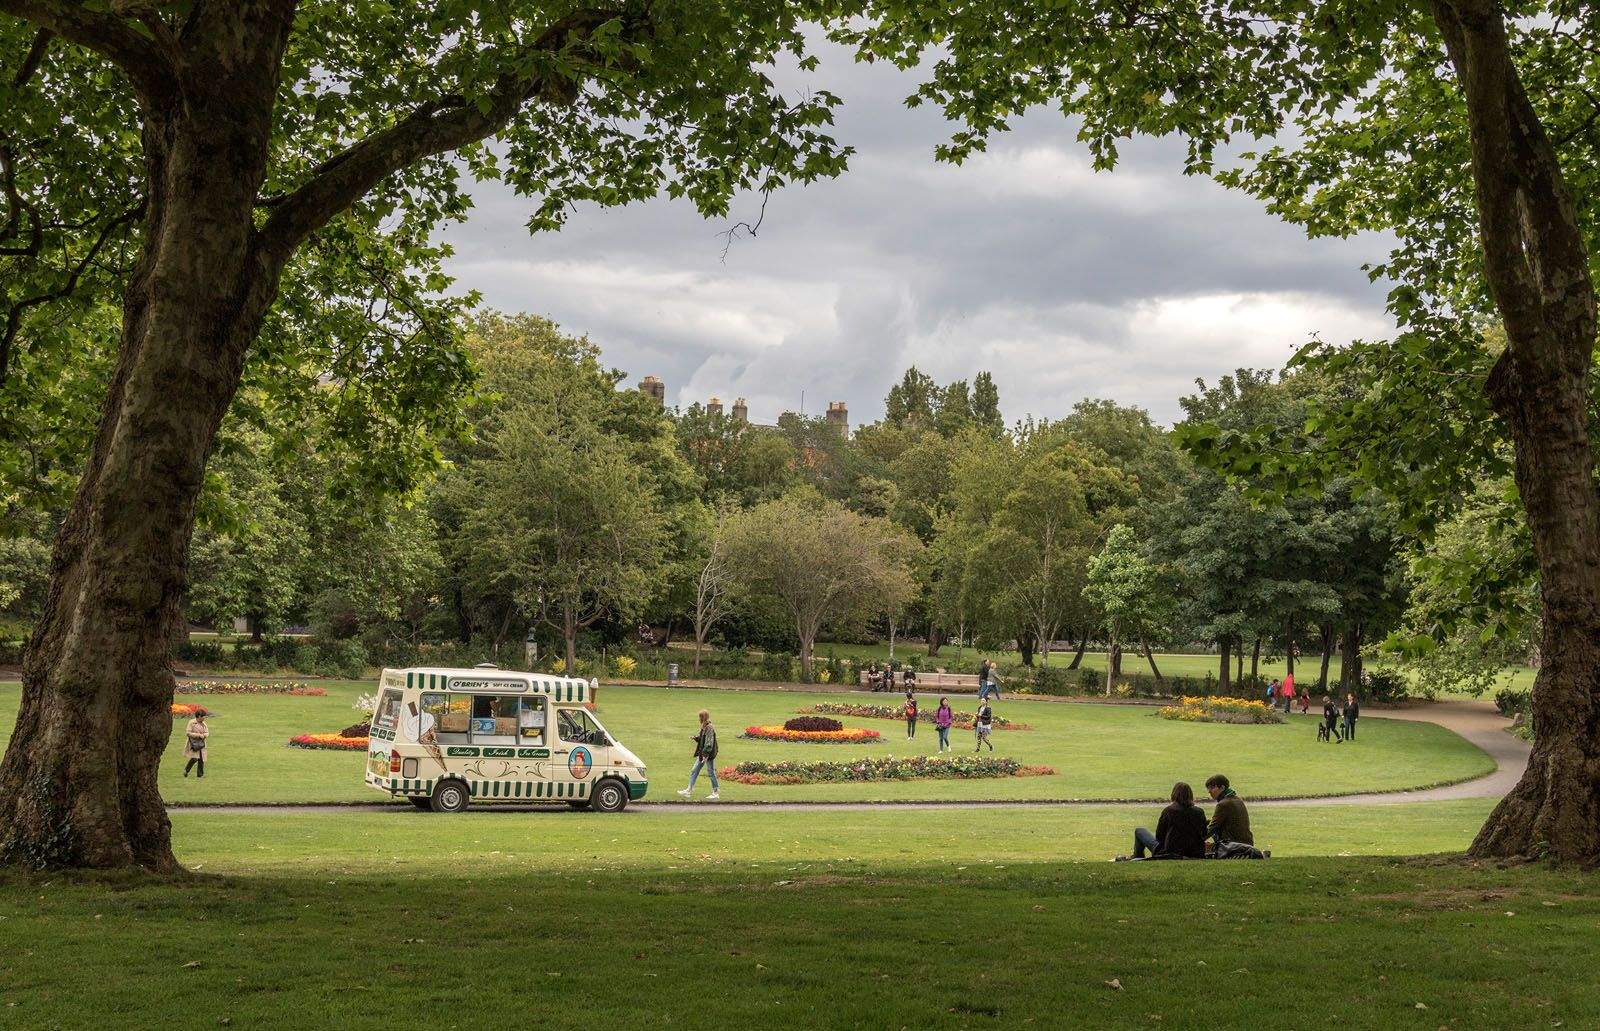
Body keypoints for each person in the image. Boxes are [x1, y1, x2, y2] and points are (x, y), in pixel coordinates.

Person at [1125, 781, 1209, 860]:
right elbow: (1204, 833)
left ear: (1174, 794)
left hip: (1170, 853)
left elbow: (1159, 836)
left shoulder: (1169, 811)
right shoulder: (1199, 812)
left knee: (1139, 831)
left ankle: (1137, 857)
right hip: (1195, 852)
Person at [677, 709, 720, 800]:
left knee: (710, 772)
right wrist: (696, 738)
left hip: (707, 754)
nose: (699, 718)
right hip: (703, 753)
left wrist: (705, 755)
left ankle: (715, 792)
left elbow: (709, 743)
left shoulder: (709, 727)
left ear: (704, 717)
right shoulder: (704, 726)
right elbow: (703, 739)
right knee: (694, 770)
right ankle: (689, 790)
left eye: (700, 716)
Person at [1204, 773, 1253, 849]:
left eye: (1212, 787)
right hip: (1246, 844)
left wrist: (1195, 841)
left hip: (1233, 847)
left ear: (1222, 788)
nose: (1209, 791)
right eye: (1208, 788)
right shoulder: (1237, 799)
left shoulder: (1223, 804)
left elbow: (1212, 828)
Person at [182, 710, 209, 778]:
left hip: (201, 743)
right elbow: (188, 733)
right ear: (199, 716)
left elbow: (207, 732)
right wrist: (198, 735)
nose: (204, 718)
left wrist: (204, 735)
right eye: (203, 716)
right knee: (194, 758)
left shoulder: (204, 724)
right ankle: (186, 770)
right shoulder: (191, 722)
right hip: (193, 743)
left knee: (201, 759)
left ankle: (200, 775)